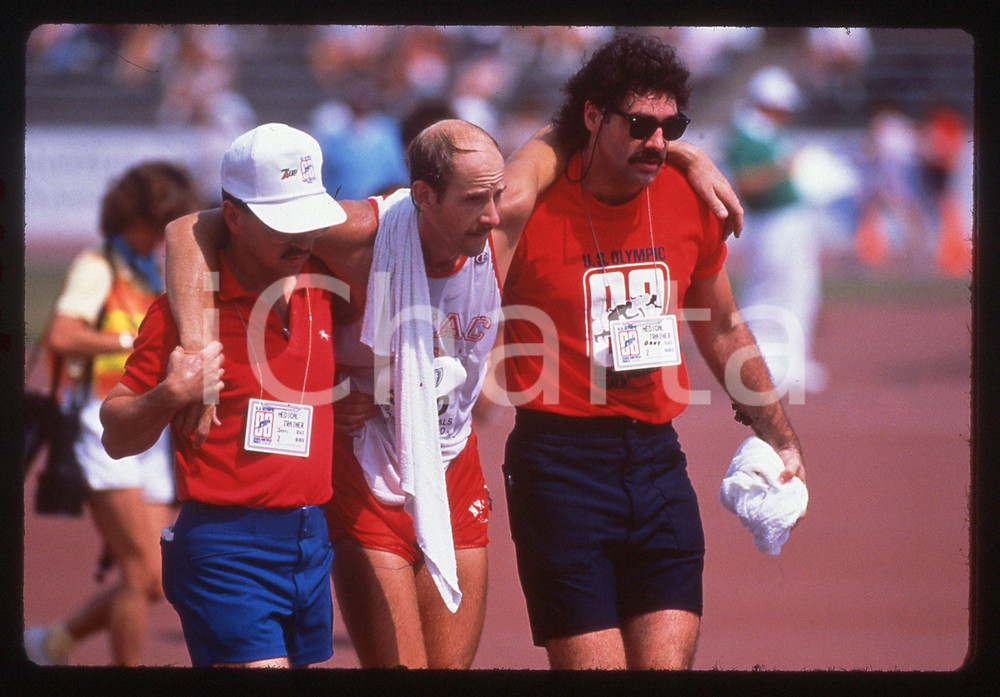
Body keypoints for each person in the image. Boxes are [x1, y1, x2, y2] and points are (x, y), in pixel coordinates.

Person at [162, 119, 742, 668]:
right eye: (472, 200)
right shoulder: (362, 236)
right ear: (423, 196)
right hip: (369, 465)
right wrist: (197, 354)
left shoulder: (501, 219)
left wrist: (680, 152)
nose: (493, 216)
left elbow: (574, 128)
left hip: (451, 459)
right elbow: (190, 229)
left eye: (495, 196)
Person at [500, 34, 805, 670]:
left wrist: (780, 436)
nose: (658, 142)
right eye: (640, 124)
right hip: (558, 468)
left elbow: (723, 327)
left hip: (657, 462)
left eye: (673, 127)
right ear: (592, 117)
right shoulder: (528, 210)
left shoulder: (688, 197)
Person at [99, 123, 347, 668]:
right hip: (224, 548)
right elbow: (115, 432)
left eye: (310, 221)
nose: (303, 239)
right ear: (233, 218)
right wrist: (169, 395)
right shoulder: (182, 314)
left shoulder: (324, 283)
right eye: (285, 224)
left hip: (310, 541)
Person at [23, 161, 203, 666]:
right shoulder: (98, 265)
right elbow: (59, 336)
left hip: (152, 430)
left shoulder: (153, 271)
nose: (166, 235)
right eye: (160, 222)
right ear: (135, 219)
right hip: (101, 426)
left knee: (151, 579)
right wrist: (129, 341)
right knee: (138, 570)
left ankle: (52, 642)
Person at [723, 65, 826, 396]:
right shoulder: (745, 134)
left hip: (794, 220)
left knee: (800, 289)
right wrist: (784, 168)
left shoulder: (770, 133)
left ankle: (795, 360)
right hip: (769, 223)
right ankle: (757, 362)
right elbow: (747, 183)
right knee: (767, 288)